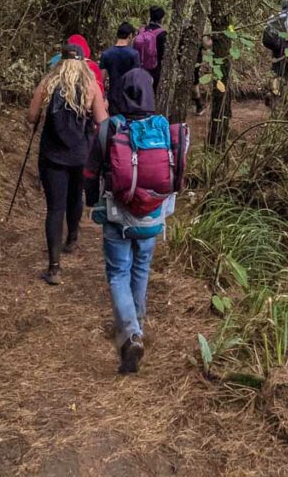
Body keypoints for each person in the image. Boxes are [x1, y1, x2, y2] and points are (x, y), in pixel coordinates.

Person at [85, 68, 188, 374]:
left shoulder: (109, 128)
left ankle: (130, 334)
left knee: (118, 273)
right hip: (152, 215)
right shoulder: (162, 128)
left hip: (118, 214)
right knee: (141, 267)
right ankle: (137, 326)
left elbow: (90, 173)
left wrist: (91, 202)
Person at [27, 42, 107, 285]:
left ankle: (54, 267)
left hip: (52, 155)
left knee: (54, 208)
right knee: (76, 197)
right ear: (83, 62)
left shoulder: (48, 84)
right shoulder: (91, 85)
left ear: (60, 61)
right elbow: (101, 120)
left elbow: (31, 116)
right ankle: (72, 238)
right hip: (82, 154)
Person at [100, 22, 140, 115]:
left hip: (112, 97)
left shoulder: (106, 54)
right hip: (128, 99)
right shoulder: (134, 54)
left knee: (112, 125)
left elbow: (101, 79)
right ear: (130, 36)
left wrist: (103, 97)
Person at [262, 0, 288, 97]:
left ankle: (274, 92)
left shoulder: (274, 17)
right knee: (287, 72)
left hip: (275, 47)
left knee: (275, 70)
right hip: (287, 48)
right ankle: (286, 95)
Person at [133, 6, 167, 93]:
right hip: (154, 69)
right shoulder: (162, 34)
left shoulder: (142, 30)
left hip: (139, 67)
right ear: (161, 19)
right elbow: (163, 54)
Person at [192, 33, 214, 114]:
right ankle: (199, 106)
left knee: (194, 83)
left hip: (194, 64)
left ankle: (199, 106)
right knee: (194, 84)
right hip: (193, 64)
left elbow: (206, 44)